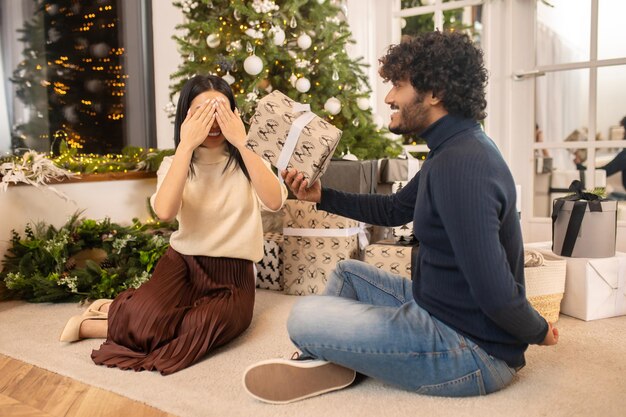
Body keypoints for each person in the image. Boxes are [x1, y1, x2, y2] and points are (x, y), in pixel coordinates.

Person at [242, 31, 558, 404]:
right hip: (439, 306)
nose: (389, 97)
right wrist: (320, 195)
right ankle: (329, 361)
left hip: (471, 350)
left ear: (435, 91)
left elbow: (496, 293)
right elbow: (393, 211)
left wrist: (540, 331)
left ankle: (325, 356)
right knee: (349, 273)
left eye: (398, 85)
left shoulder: (462, 166)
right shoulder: (451, 149)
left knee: (303, 317)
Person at [59, 74, 287, 375]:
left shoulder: (249, 158)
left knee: (200, 326)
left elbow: (275, 201)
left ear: (234, 115)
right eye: (203, 113)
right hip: (182, 266)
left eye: (220, 111)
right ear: (186, 117)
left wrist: (243, 143)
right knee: (148, 320)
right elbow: (165, 212)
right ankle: (109, 316)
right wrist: (185, 146)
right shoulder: (175, 162)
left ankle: (109, 316)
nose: (213, 122)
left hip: (233, 276)